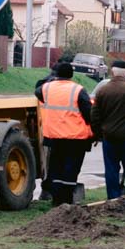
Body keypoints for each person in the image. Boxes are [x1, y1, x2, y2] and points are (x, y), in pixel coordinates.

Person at [34, 60, 94, 206]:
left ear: (55, 74)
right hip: (75, 138)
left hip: (54, 137)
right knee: (71, 169)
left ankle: (57, 200)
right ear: (71, 75)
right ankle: (67, 200)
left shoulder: (46, 88)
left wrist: (51, 78)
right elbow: (89, 114)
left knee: (56, 168)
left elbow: (37, 89)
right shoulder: (78, 90)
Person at [89, 61, 125, 199]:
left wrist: (98, 134)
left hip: (109, 136)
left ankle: (113, 198)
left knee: (111, 169)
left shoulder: (102, 90)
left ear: (112, 72)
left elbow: (94, 115)